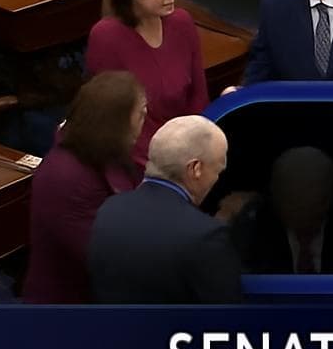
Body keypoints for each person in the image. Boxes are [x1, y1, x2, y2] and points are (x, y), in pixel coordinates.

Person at [87, 115, 243, 304]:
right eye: (217, 171)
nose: (217, 180)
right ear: (196, 169)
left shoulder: (108, 211)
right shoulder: (207, 236)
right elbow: (224, 320)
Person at [22, 72, 145, 304]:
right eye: (140, 113)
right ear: (116, 122)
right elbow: (106, 257)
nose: (144, 119)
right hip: (67, 310)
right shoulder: (67, 178)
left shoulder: (103, 151)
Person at [85, 0, 207, 171]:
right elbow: (113, 119)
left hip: (187, 152)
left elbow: (198, 96)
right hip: (136, 162)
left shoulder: (182, 23)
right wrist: (165, 167)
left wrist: (196, 150)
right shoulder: (106, 37)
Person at [229, 147, 333, 275]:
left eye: (313, 193)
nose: (304, 208)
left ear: (330, 196)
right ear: (275, 196)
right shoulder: (251, 231)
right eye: (293, 198)